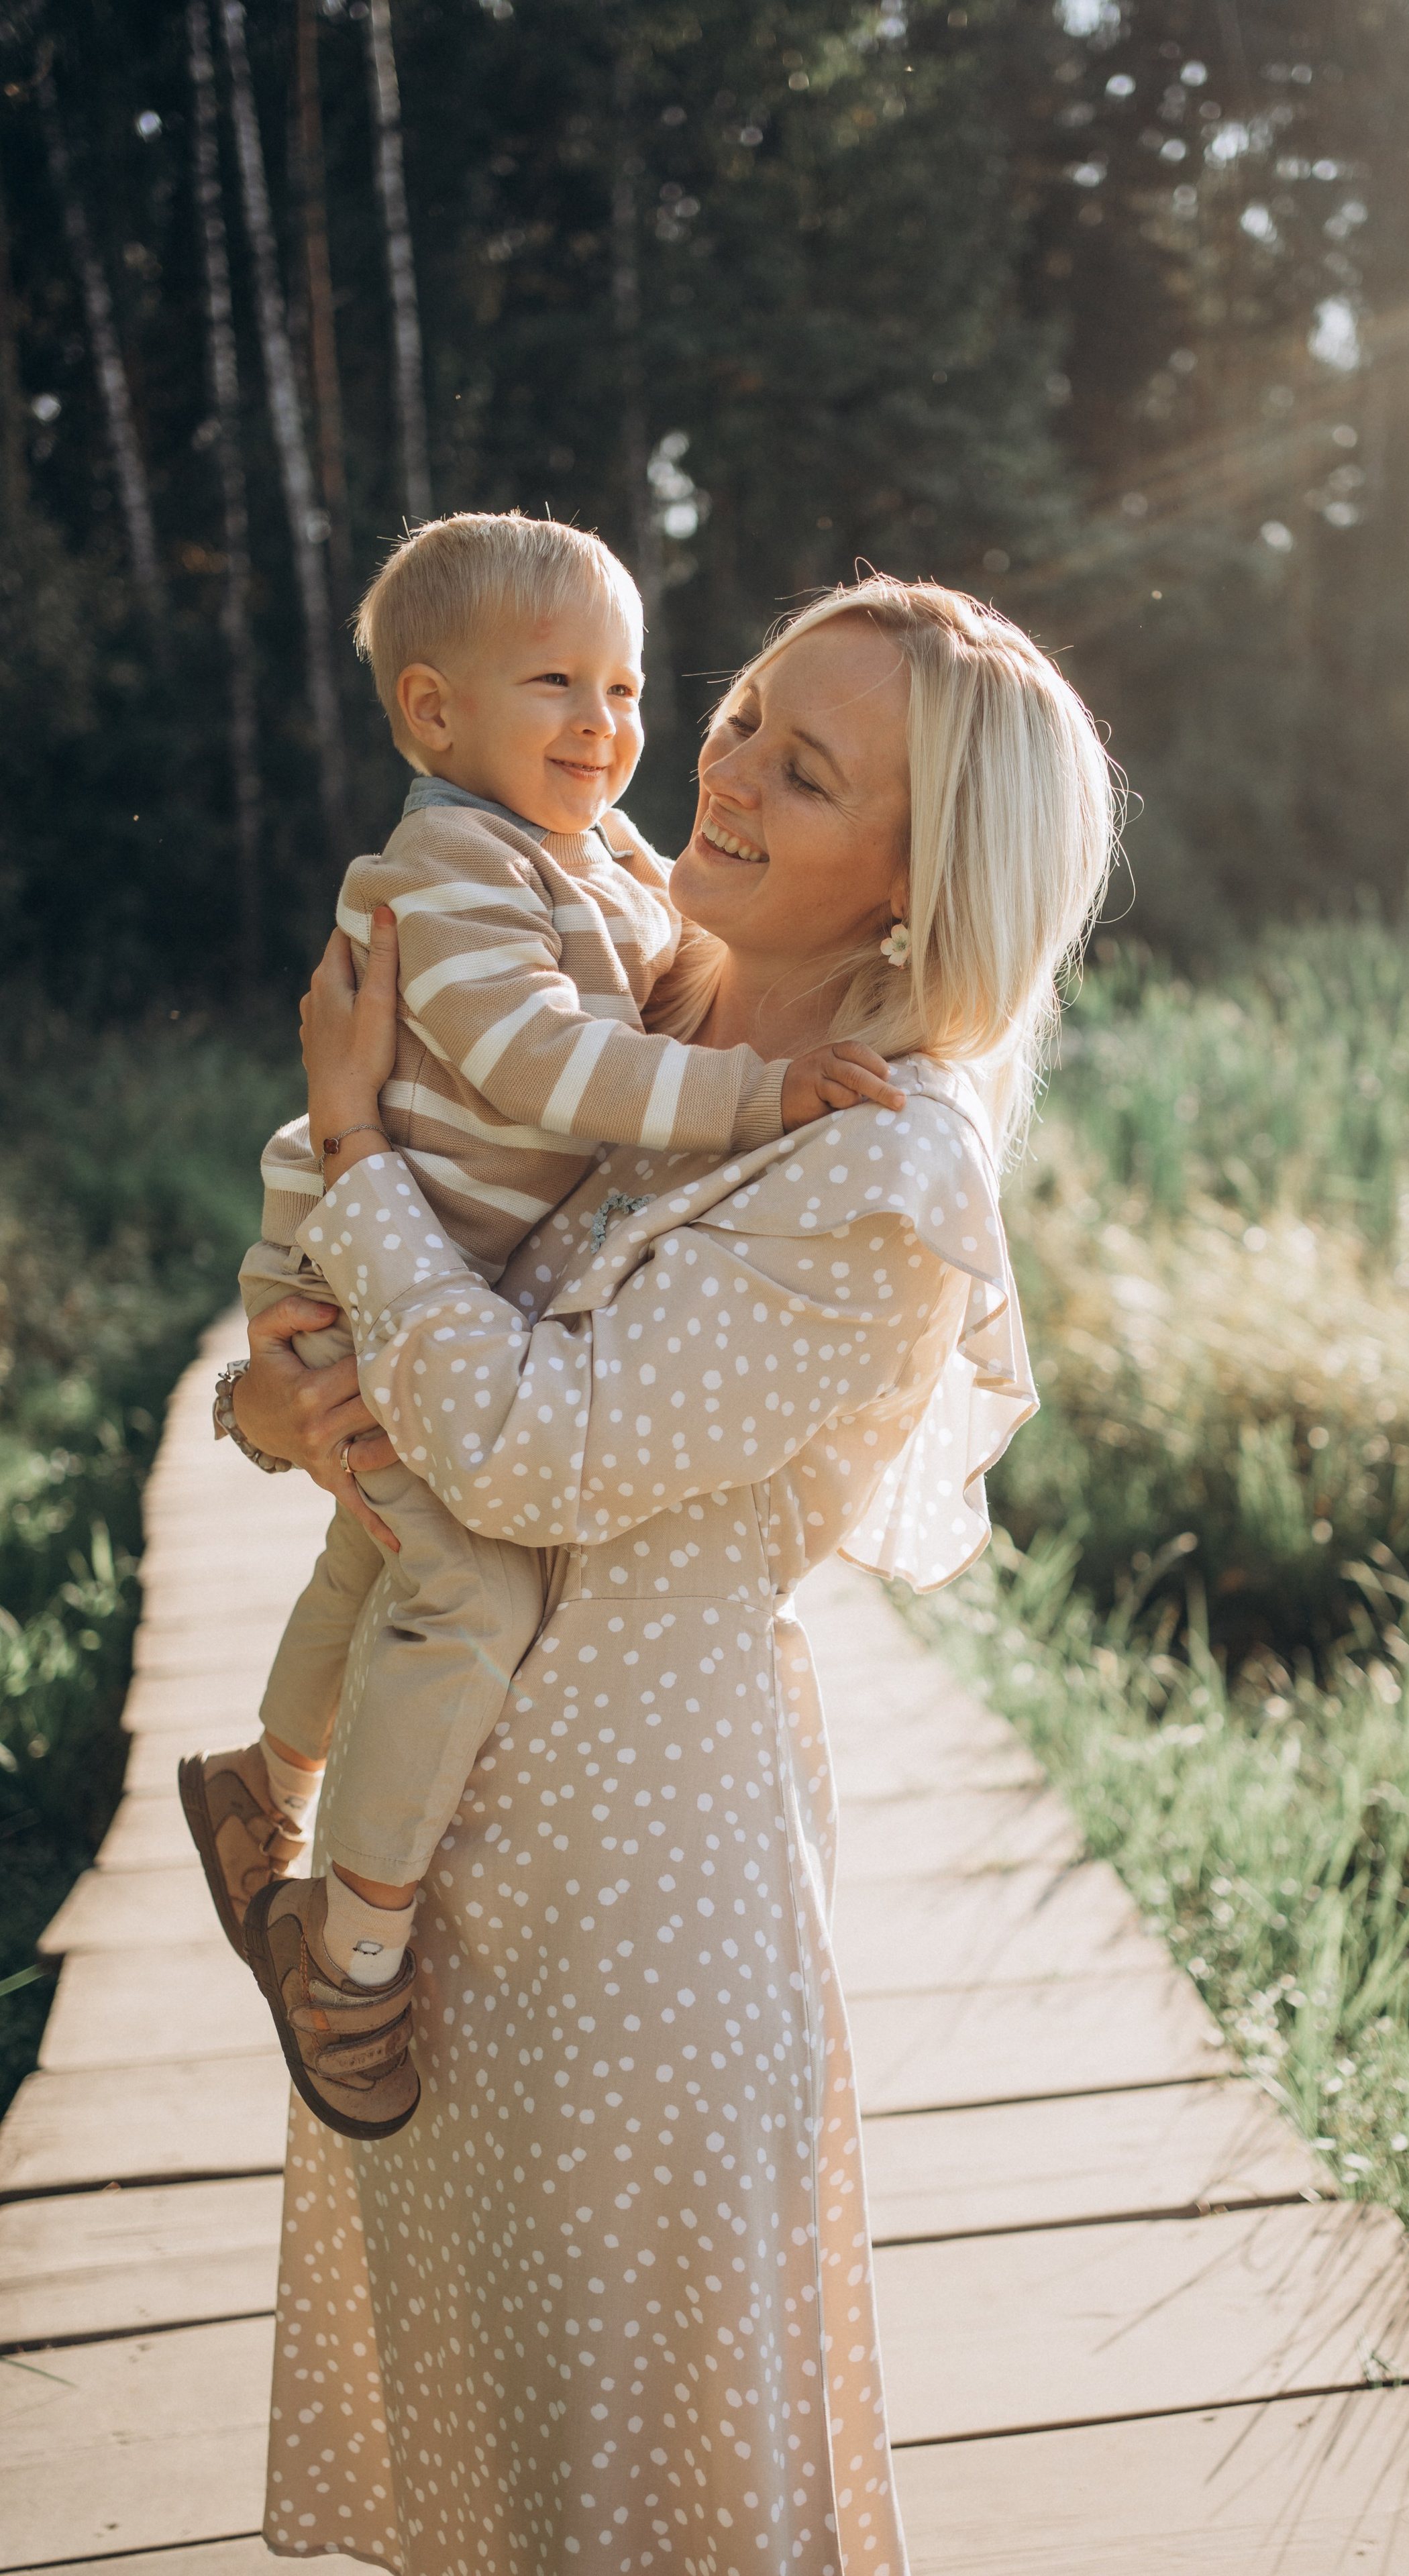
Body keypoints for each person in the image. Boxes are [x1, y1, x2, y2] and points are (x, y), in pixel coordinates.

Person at [229, 576, 1115, 2576]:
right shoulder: (632, 990)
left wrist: (351, 1153)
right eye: (744, 717)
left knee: (631, 2495)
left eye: (806, 771)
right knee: (494, 2477)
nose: (716, 769)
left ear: (919, 886)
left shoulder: (881, 1165)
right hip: (424, 1869)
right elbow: (424, 1344)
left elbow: (532, 1447)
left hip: (627, 1920)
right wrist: (279, 1395)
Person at [178, 514, 903, 2140]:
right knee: (467, 1584)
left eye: (628, 687)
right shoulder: (451, 871)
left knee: (377, 1554)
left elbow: (654, 950)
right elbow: (538, 1066)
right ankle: (347, 1956)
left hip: (410, 1271)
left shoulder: (586, 851)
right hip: (357, 1276)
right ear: (432, 714)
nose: (608, 726)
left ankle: (262, 1786)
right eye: (556, 685)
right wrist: (757, 1092)